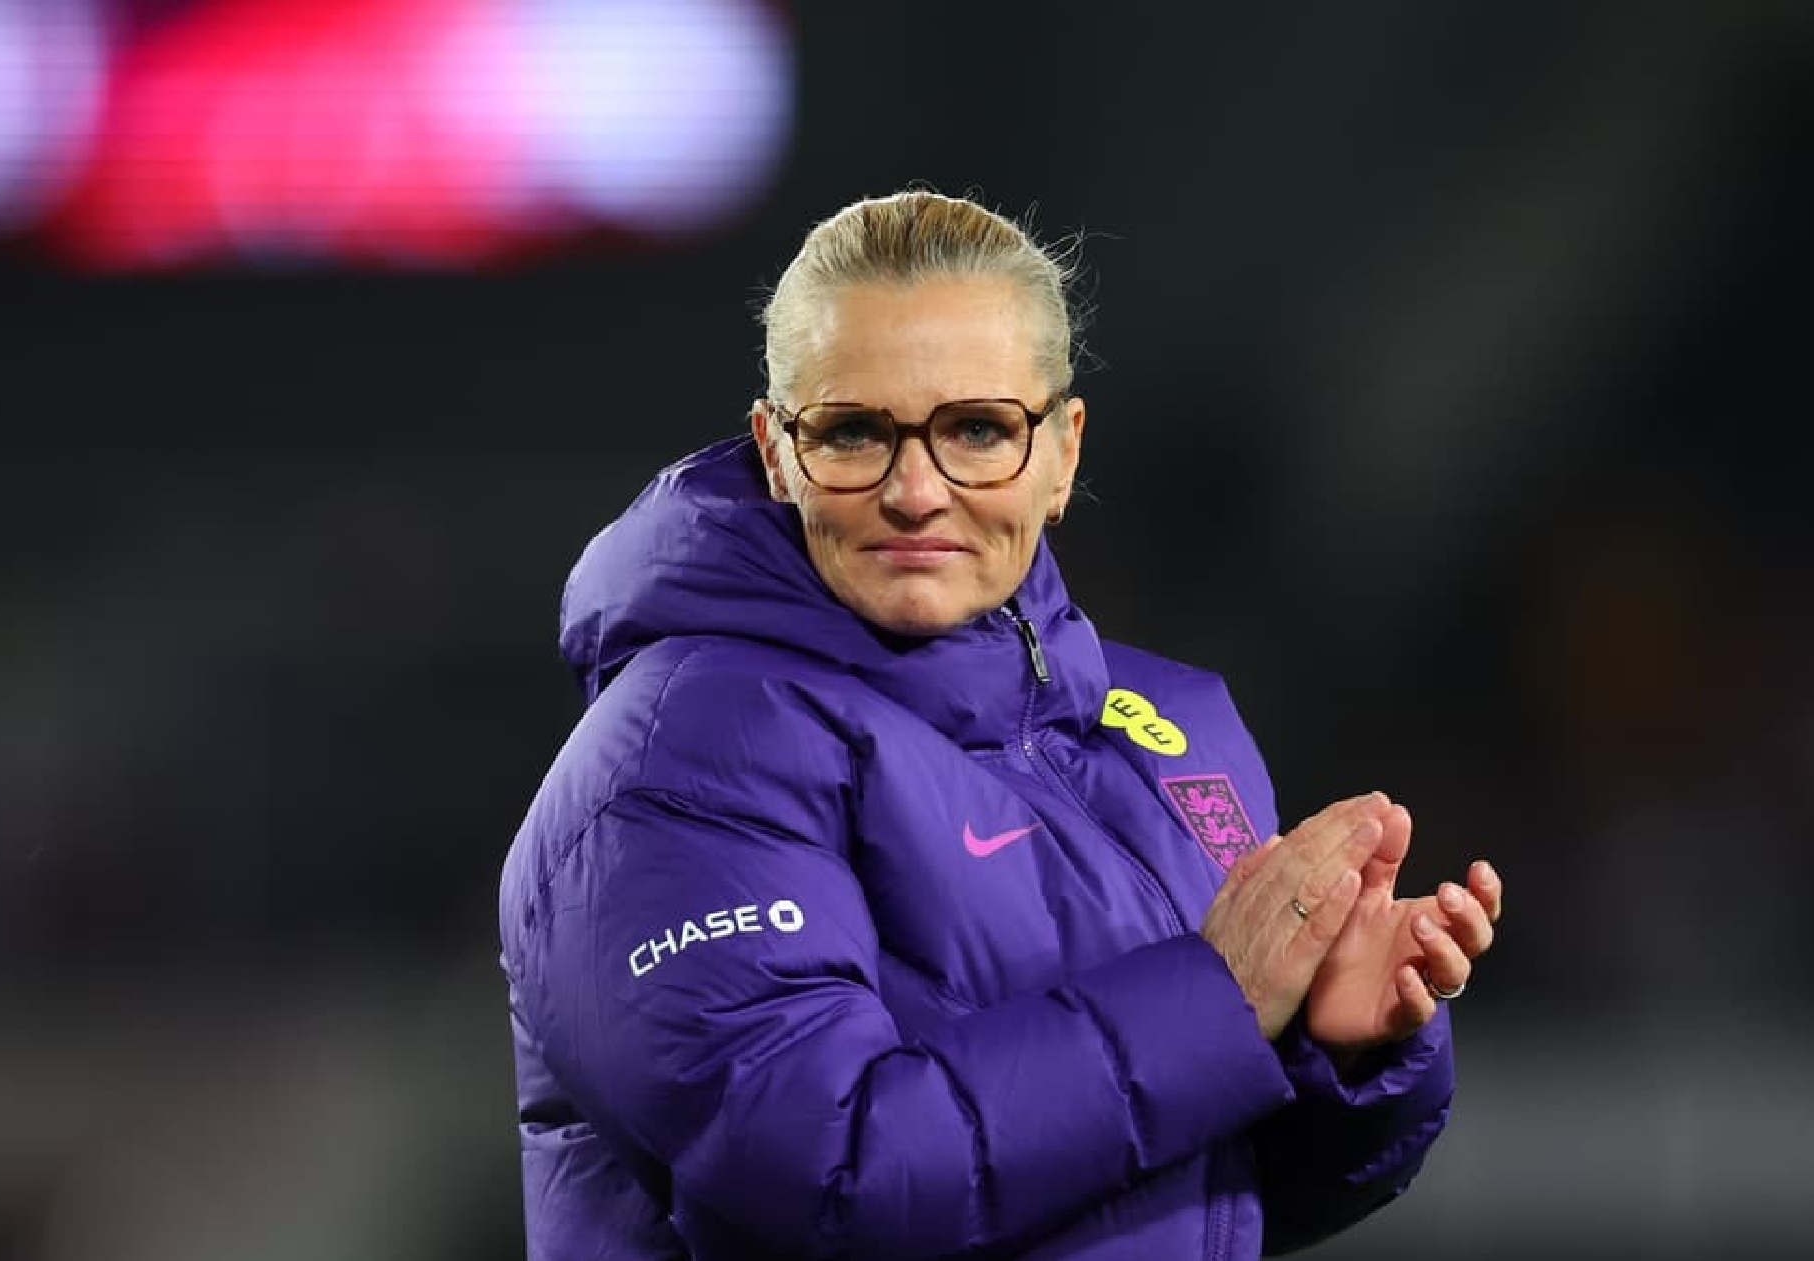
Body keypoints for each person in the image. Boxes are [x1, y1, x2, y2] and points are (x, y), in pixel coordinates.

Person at [498, 189, 1504, 1260]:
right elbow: (829, 1178)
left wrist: (1333, 1054)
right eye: (852, 432)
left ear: (1064, 452)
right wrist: (1220, 1004)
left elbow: (1204, 1196)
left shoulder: (1173, 724)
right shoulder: (677, 755)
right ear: (778, 449)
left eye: (977, 429)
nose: (916, 491)